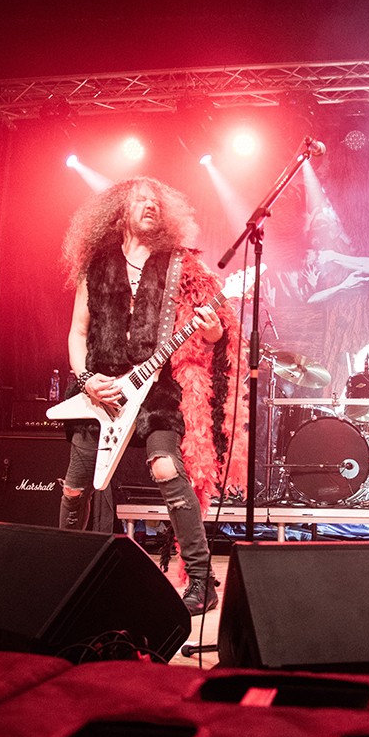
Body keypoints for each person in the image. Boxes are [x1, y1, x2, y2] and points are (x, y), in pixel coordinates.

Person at [57, 177, 246, 615]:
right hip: (100, 390)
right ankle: (66, 572)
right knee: (74, 487)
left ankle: (201, 579)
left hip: (156, 390)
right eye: (140, 199)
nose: (150, 205)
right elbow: (77, 332)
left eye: (156, 201)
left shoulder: (180, 264)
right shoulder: (96, 265)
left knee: (167, 467)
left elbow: (216, 332)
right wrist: (86, 379)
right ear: (118, 212)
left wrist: (212, 330)